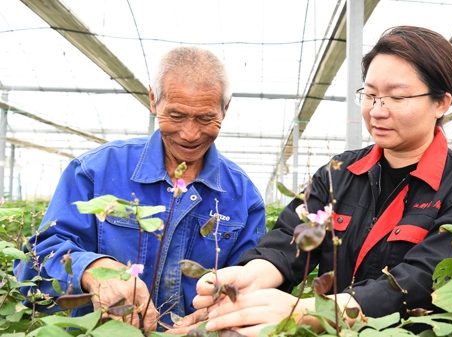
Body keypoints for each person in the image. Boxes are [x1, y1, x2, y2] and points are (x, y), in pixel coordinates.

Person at [170, 25, 452, 336]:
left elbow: (422, 280)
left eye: (396, 98)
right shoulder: (339, 173)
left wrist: (306, 312)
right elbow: (292, 237)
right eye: (369, 95)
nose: (377, 110)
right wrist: (252, 275)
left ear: (441, 102)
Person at [13, 46, 267, 332]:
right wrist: (95, 271)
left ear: (226, 108)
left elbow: (251, 289)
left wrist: (221, 314)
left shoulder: (243, 197)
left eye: (206, 118)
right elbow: (33, 264)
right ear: (153, 101)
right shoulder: (96, 171)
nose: (190, 134)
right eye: (176, 115)